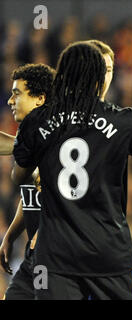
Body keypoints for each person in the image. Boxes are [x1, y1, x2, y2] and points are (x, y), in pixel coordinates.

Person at [11, 42, 132, 299]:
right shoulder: (125, 121)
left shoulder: (38, 121)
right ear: (100, 76)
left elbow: (19, 176)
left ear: (63, 74)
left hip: (56, 258)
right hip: (108, 253)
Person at [0, 63, 55, 300]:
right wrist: (10, 235)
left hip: (58, 258)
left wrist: (45, 231)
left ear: (39, 99)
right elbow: (31, 197)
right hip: (33, 257)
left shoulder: (61, 144)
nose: (11, 100)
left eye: (17, 93)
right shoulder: (30, 143)